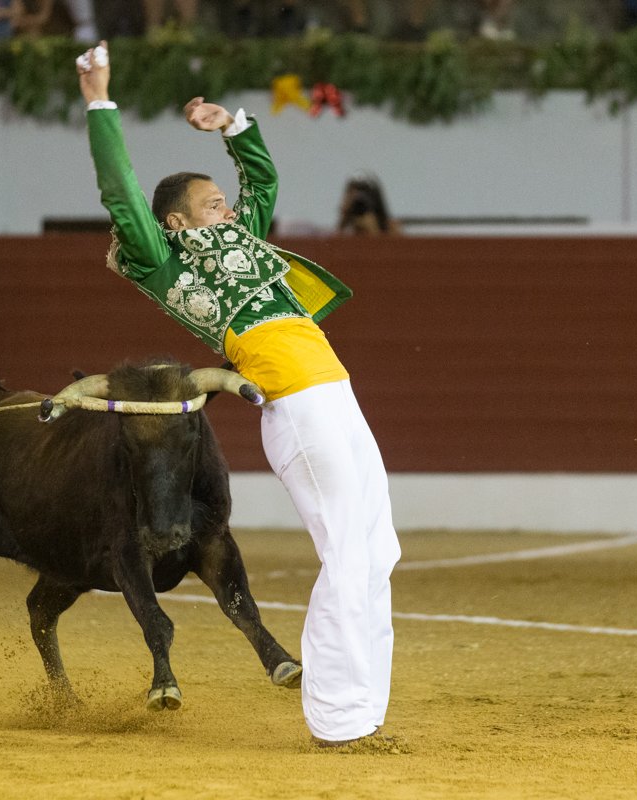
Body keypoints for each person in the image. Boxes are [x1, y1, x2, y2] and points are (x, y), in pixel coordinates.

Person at [78, 42, 402, 747]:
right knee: (349, 548)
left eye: (225, 201)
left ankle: (363, 709)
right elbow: (120, 188)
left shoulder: (242, 236)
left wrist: (233, 127)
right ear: (177, 224)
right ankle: (338, 718)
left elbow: (262, 177)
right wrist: (99, 98)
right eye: (212, 204)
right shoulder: (164, 261)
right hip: (295, 399)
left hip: (334, 390)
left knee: (379, 550)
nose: (229, 208)